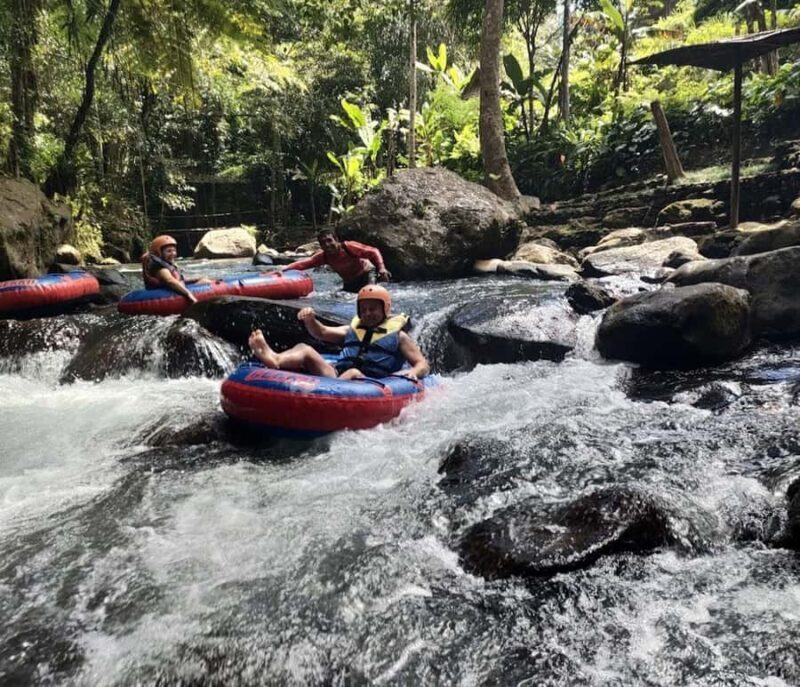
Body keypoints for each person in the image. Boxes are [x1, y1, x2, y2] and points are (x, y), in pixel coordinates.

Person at [248, 284, 429, 381]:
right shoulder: (351, 329)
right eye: (363, 309)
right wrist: (310, 320)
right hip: (337, 376)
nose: (367, 313)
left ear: (386, 309)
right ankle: (275, 359)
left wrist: (414, 372)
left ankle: (326, 393)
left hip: (370, 383)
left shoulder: (399, 337)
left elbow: (422, 364)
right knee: (304, 348)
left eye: (372, 309)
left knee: (353, 372)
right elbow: (322, 333)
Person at [283, 229, 392, 293]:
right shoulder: (323, 257)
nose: (327, 245)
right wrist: (283, 271)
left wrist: (382, 268)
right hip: (349, 282)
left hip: (366, 274)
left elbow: (373, 251)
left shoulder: (349, 247)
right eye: (323, 243)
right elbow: (302, 264)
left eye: (329, 241)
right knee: (340, 298)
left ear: (337, 240)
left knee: (369, 293)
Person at [141, 235, 211, 304]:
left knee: (204, 281)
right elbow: (170, 281)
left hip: (170, 289)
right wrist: (188, 294)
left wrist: (196, 279)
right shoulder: (159, 268)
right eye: (168, 251)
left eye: (174, 250)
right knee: (204, 283)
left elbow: (178, 280)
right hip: (162, 294)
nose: (173, 254)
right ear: (158, 253)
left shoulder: (168, 264)